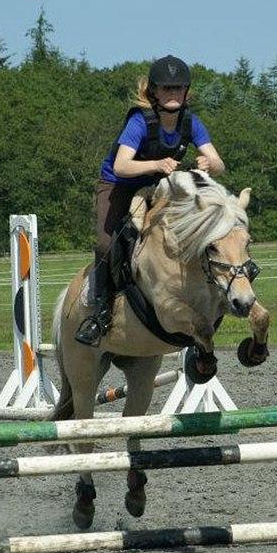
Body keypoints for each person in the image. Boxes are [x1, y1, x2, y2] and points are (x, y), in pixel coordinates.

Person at [74, 55, 226, 346]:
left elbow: (218, 162)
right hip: (118, 184)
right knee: (107, 243)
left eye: (178, 88)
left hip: (159, 185)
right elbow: (121, 166)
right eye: (166, 89)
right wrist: (157, 164)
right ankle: (101, 311)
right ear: (153, 92)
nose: (173, 94)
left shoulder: (191, 122)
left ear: (186, 92)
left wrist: (209, 163)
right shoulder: (139, 122)